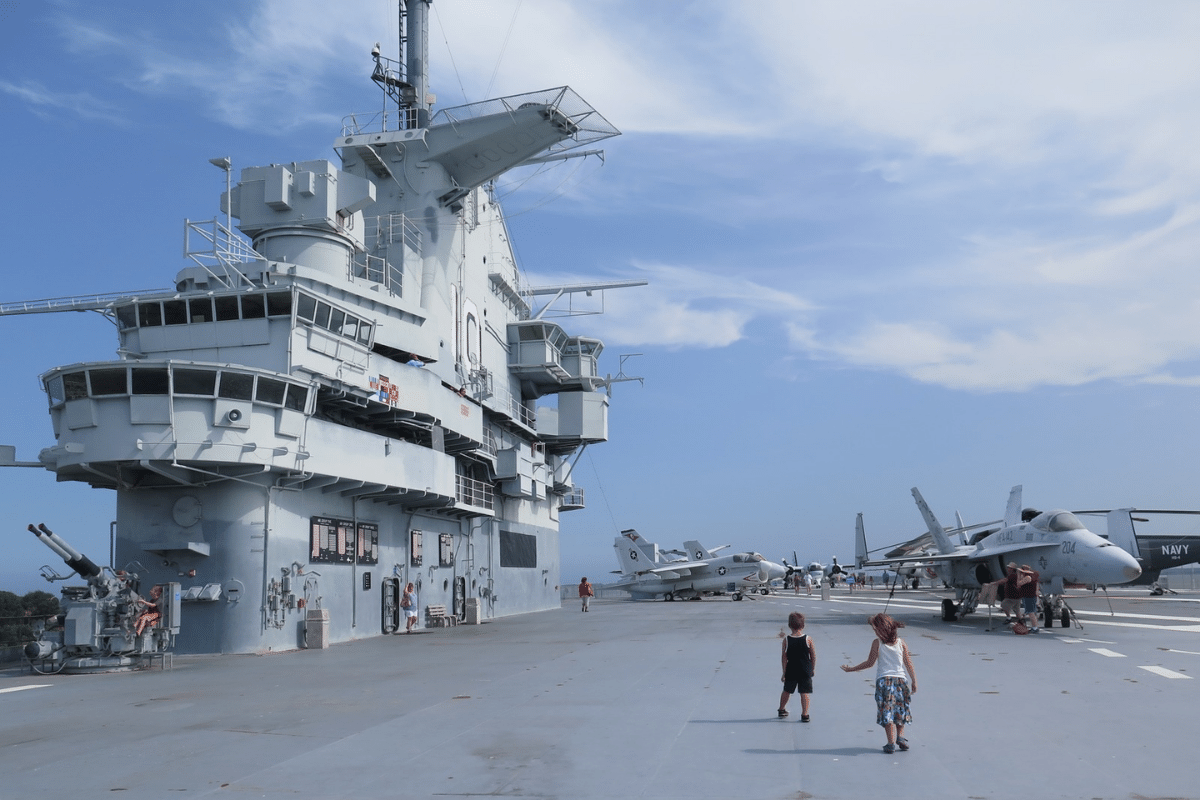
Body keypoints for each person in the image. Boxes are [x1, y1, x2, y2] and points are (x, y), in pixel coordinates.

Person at [840, 613, 918, 754]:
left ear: (882, 629)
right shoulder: (901, 642)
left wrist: (851, 669)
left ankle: (890, 743)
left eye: (876, 629)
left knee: (887, 712)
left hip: (884, 682)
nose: (875, 632)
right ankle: (900, 737)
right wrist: (914, 680)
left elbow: (869, 663)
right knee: (901, 709)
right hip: (901, 681)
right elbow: (908, 663)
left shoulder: (877, 643)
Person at [777, 611, 816, 721]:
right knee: (804, 692)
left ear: (789, 626)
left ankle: (781, 709)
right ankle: (805, 714)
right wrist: (812, 668)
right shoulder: (808, 639)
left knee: (787, 690)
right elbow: (813, 655)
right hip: (805, 669)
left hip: (791, 669)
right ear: (803, 625)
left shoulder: (786, 640)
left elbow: (784, 657)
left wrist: (784, 672)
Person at [1018, 564, 1041, 633]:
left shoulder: (1027, 577)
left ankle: (1035, 627)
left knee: (1031, 612)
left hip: (1029, 597)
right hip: (1031, 596)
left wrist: (1018, 576)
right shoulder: (1033, 578)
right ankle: (1035, 626)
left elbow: (1019, 584)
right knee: (1032, 612)